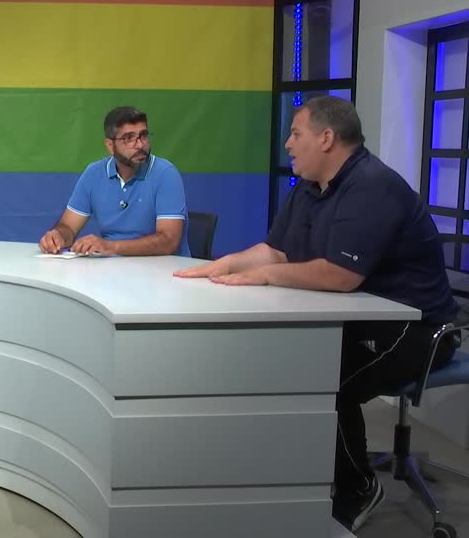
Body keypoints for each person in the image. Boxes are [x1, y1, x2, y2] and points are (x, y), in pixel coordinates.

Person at [174, 96, 459, 532]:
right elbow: (275, 250)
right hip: (361, 319)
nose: (288, 144)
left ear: (326, 138)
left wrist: (266, 277)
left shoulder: (373, 186)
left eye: (295, 133)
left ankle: (358, 487)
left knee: (323, 380)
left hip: (418, 328)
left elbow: (340, 275)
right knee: (286, 362)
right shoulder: (308, 186)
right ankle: (303, 472)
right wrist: (224, 265)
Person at [38, 106, 189, 256]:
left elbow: (168, 241)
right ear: (110, 145)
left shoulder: (165, 173)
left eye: (143, 135)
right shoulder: (94, 174)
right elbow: (68, 227)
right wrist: (58, 236)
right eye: (129, 138)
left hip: (163, 268)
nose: (140, 145)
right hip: (112, 266)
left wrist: (111, 247)